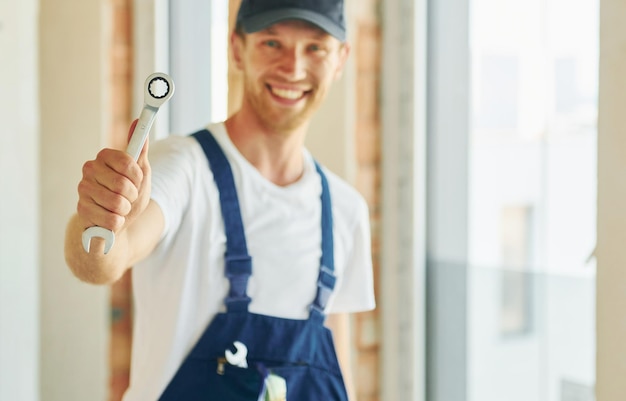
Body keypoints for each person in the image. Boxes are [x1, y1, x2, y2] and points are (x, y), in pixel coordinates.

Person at [64, 0, 375, 400]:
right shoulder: (182, 167)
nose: (293, 68)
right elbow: (105, 260)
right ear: (236, 50)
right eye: (272, 43)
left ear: (340, 59)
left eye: (315, 47)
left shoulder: (345, 211)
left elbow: (334, 373)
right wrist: (100, 219)